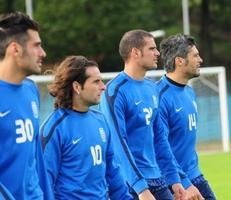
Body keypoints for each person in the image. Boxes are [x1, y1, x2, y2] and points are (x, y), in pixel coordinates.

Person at [99, 29, 186, 200]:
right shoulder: (114, 91)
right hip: (129, 183)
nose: (157, 53)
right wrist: (140, 188)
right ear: (135, 52)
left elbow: (160, 138)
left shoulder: (152, 87)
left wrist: (174, 179)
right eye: (152, 49)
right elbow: (118, 143)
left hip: (157, 178)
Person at [41, 56, 132, 200]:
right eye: (96, 81)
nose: (103, 86)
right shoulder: (54, 128)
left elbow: (113, 172)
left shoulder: (100, 120)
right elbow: (44, 184)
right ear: (77, 87)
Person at [0, 12, 52, 199]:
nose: (43, 53)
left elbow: (36, 158)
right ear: (15, 49)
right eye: (36, 46)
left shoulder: (31, 90)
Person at [157, 33, 216, 200]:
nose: (201, 60)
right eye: (195, 55)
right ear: (179, 61)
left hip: (194, 174)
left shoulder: (189, 92)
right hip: (173, 180)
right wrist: (181, 183)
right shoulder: (159, 98)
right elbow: (160, 147)